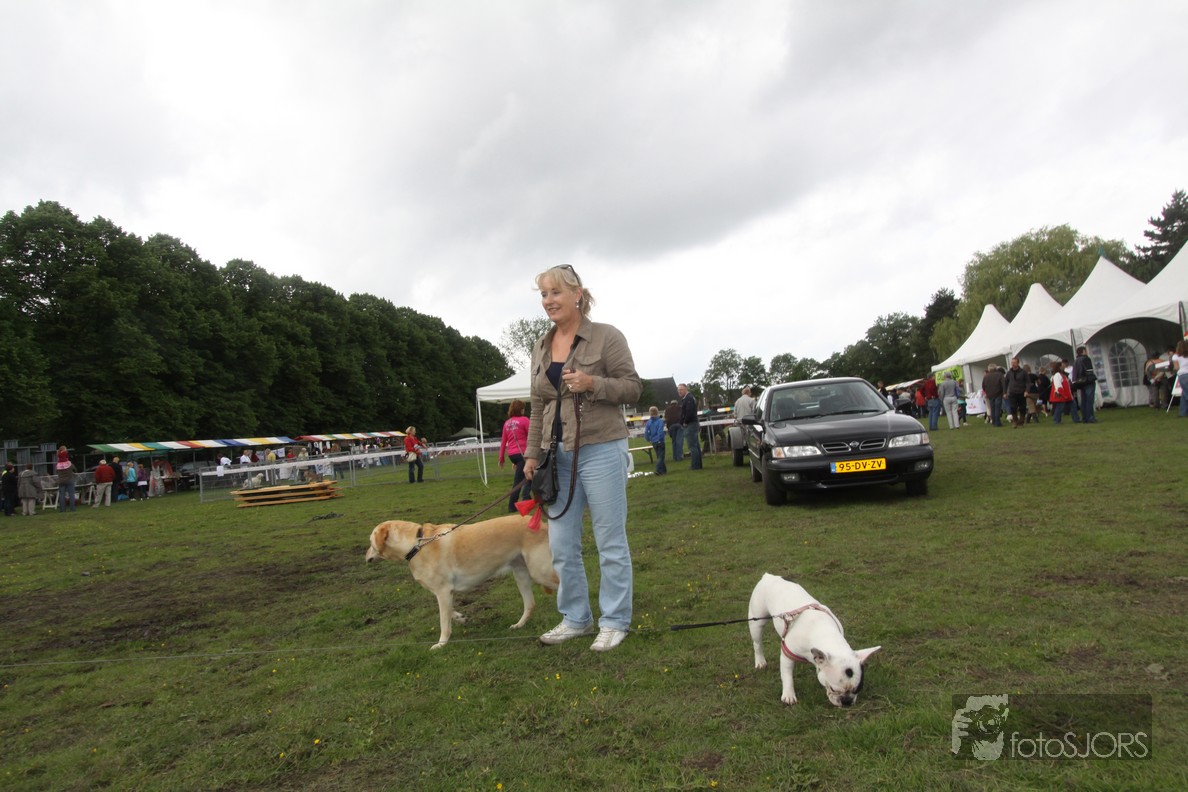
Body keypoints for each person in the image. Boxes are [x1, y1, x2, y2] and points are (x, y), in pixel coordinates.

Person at [524, 264, 641, 652]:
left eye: (555, 292)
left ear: (577, 294)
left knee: (610, 541)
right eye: (543, 294)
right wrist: (532, 454)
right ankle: (575, 617)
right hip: (556, 458)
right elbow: (538, 405)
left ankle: (615, 620)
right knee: (561, 545)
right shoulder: (540, 347)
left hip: (601, 450)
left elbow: (633, 388)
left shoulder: (607, 336)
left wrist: (593, 384)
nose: (549, 301)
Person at [498, 400, 531, 510]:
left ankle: (529, 498)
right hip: (523, 453)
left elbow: (504, 442)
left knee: (530, 475)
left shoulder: (507, 423)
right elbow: (532, 436)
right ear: (521, 409)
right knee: (521, 479)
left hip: (512, 455)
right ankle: (513, 505)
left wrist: (501, 458)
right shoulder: (525, 420)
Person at [678, 383, 703, 470]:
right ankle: (698, 464)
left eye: (681, 390)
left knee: (692, 446)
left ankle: (695, 465)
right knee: (696, 445)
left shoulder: (688, 399)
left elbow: (689, 412)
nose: (679, 391)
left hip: (690, 424)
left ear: (686, 389)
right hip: (693, 423)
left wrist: (685, 421)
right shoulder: (690, 398)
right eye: (678, 390)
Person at [1071, 346, 1098, 424]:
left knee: (1084, 400)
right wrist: (1092, 378)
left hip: (1080, 382)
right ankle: (1090, 417)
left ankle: (1085, 417)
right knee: (1089, 400)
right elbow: (1089, 371)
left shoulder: (1076, 361)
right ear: (1083, 351)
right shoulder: (1086, 359)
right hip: (1088, 381)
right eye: (1085, 350)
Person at [1003, 357, 1029, 428]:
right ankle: (1015, 421)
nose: (1013, 364)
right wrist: (1005, 392)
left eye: (1014, 362)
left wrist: (1027, 391)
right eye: (1012, 363)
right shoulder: (1009, 373)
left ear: (1018, 363)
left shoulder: (1023, 372)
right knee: (1013, 407)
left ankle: (1021, 421)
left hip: (1021, 392)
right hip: (1012, 392)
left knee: (1022, 407)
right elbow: (1006, 383)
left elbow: (1028, 382)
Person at [643, 405, 667, 475]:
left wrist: (648, 439)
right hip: (660, 440)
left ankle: (663, 470)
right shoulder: (660, 421)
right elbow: (660, 431)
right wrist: (660, 439)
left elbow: (646, 431)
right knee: (661, 456)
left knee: (659, 456)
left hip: (653, 441)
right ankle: (658, 470)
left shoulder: (648, 422)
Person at [1172, 339, 1188, 418]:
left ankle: (1183, 413)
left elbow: (1176, 367)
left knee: (1185, 393)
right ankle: (1183, 413)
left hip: (1183, 375)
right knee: (1184, 394)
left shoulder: (1176, 356)